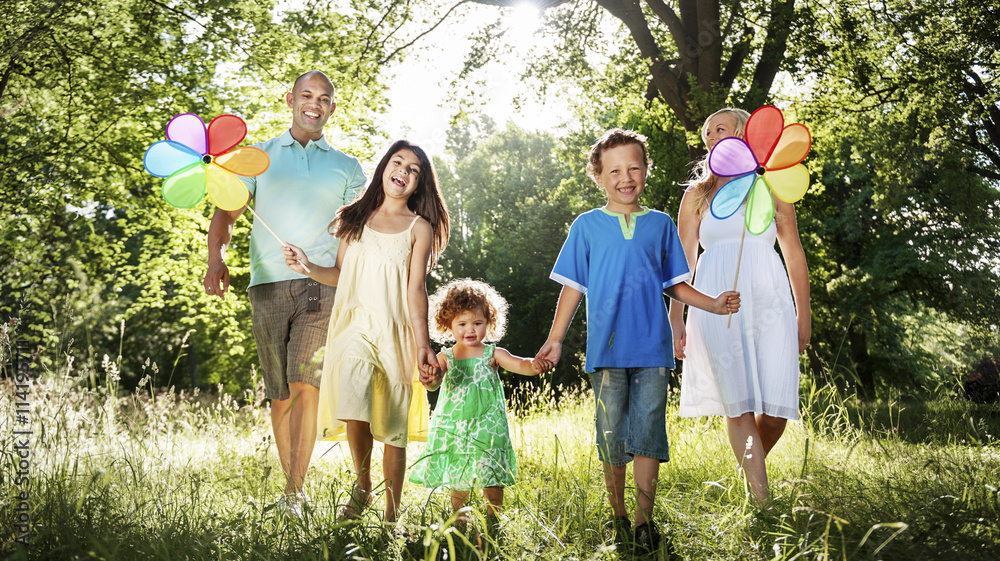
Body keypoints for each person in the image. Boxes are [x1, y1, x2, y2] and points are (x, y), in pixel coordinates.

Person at [535, 128, 741, 552]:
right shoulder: (587, 226)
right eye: (614, 170)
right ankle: (620, 517)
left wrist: (714, 304)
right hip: (606, 352)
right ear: (598, 176)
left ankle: (646, 522)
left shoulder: (660, 225)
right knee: (611, 433)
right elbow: (573, 288)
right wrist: (555, 339)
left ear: (646, 171)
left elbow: (676, 286)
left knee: (648, 432)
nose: (624, 177)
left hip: (652, 350)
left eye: (633, 167)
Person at [203, 70, 365, 514]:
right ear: (290, 99)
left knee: (304, 383)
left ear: (333, 107)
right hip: (267, 285)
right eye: (307, 95)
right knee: (279, 391)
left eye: (324, 98)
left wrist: (345, 276)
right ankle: (290, 491)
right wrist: (217, 258)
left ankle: (296, 492)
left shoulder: (349, 168)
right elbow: (226, 215)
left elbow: (354, 234)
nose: (314, 103)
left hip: (322, 286)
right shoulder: (259, 158)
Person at [282, 139, 450, 523]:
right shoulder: (355, 217)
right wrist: (308, 266)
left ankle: (393, 514)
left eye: (414, 170)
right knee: (354, 402)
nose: (404, 172)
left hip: (396, 330)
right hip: (353, 326)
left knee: (392, 423)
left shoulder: (418, 228)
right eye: (398, 162)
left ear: (418, 184)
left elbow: (415, 290)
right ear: (384, 168)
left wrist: (423, 346)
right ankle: (362, 487)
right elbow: (339, 275)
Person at [668, 108, 811, 506]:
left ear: (744, 133)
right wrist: (676, 317)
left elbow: (794, 253)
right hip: (716, 301)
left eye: (720, 129)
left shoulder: (771, 186)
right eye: (706, 132)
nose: (711, 136)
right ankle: (762, 504)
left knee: (778, 406)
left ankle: (748, 473)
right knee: (739, 402)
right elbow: (684, 261)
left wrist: (805, 314)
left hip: (769, 296)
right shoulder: (697, 194)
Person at [409, 279, 552, 533]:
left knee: (492, 472)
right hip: (455, 426)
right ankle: (459, 522)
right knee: (458, 473)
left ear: (489, 322)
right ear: (448, 325)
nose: (470, 330)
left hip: (488, 425)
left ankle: (494, 520)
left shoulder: (493, 354)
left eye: (477, 323)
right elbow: (433, 385)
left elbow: (521, 364)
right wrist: (430, 379)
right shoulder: (446, 357)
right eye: (462, 324)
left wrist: (535, 365)